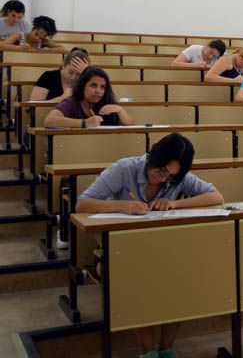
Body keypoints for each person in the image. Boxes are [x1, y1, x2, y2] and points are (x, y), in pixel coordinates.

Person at [76, 132, 224, 358]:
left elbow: (216, 197)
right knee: (135, 274)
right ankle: (147, 352)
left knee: (184, 274)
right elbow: (83, 204)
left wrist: (174, 203)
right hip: (123, 246)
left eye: (172, 176)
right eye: (161, 171)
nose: (164, 179)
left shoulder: (176, 176)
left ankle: (166, 350)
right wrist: (122, 207)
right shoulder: (124, 169)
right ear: (153, 156)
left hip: (162, 246)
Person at [43, 66, 133, 128]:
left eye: (102, 87)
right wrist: (85, 123)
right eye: (93, 85)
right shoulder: (71, 102)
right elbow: (48, 121)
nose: (98, 91)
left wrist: (120, 110)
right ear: (83, 86)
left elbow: (131, 127)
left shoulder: (107, 103)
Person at [0, 15, 65, 52]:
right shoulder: (19, 35)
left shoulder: (44, 42)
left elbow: (61, 49)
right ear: (33, 29)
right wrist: (19, 48)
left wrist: (45, 50)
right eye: (36, 34)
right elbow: (1, 46)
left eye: (40, 38)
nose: (37, 38)